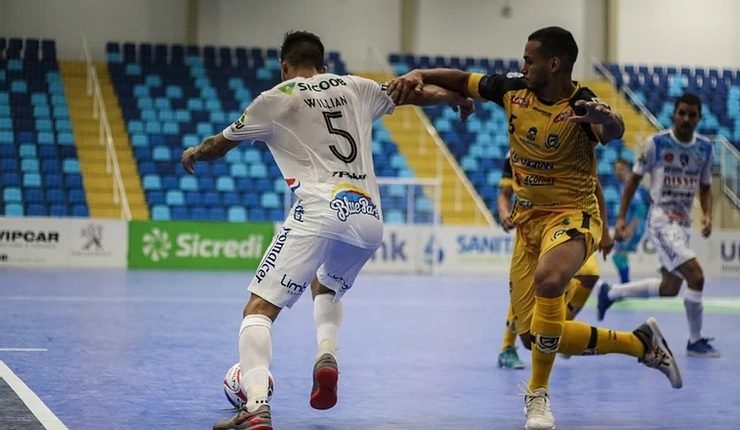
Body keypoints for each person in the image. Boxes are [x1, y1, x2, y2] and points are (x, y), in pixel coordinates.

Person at [388, 26, 682, 430]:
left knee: (550, 281)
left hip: (573, 214)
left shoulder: (582, 105)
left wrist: (609, 119)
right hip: (529, 222)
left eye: (529, 59)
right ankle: (639, 344)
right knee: (536, 336)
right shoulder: (511, 89)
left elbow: (611, 131)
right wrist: (419, 73)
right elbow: (460, 80)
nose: (522, 65)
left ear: (554, 63)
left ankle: (537, 397)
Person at [181, 31, 473, 430]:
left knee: (258, 310)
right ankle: (326, 353)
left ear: (285, 64)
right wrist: (456, 97)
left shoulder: (276, 97)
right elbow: (414, 92)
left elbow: (219, 144)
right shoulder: (357, 86)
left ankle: (255, 406)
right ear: (324, 63)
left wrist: (195, 151)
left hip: (319, 209)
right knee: (326, 284)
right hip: (368, 216)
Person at [598, 93, 718, 358]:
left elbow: (706, 186)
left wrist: (707, 214)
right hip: (661, 222)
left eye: (692, 114)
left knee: (669, 289)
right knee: (696, 276)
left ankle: (611, 292)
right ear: (674, 114)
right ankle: (695, 342)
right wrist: (620, 218)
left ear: (699, 117)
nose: (686, 119)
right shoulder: (656, 144)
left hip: (683, 226)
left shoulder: (706, 149)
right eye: (682, 113)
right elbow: (632, 181)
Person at [496, 153, 613, 369]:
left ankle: (556, 328)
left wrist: (604, 231)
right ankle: (507, 346)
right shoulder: (514, 153)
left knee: (590, 274)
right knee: (527, 288)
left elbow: (595, 185)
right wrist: (504, 213)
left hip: (566, 221)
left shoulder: (569, 140)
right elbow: (504, 192)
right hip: (530, 227)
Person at [610, 158, 650, 283]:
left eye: (621, 169)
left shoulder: (629, 185)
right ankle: (625, 284)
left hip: (634, 227)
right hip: (629, 226)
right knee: (621, 256)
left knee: (618, 256)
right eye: (616, 170)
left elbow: (640, 208)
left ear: (628, 169)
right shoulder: (623, 185)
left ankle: (625, 286)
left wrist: (630, 229)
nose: (618, 172)